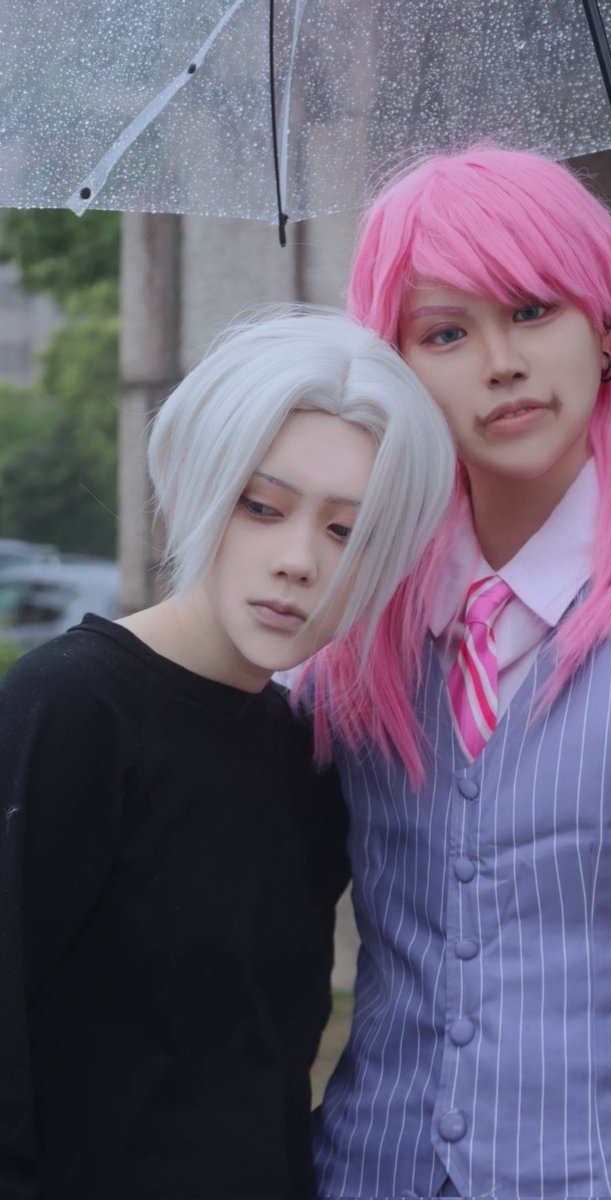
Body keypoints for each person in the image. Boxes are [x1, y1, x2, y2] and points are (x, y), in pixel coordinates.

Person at [0, 308, 455, 1200]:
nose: (297, 561)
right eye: (262, 506)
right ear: (196, 486)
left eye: (347, 531)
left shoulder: (305, 755)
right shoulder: (71, 711)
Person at [307, 149, 611, 1198]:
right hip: (370, 1171)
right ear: (398, 368)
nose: (501, 363)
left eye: (531, 309)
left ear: (604, 328)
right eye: (445, 333)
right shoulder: (350, 623)